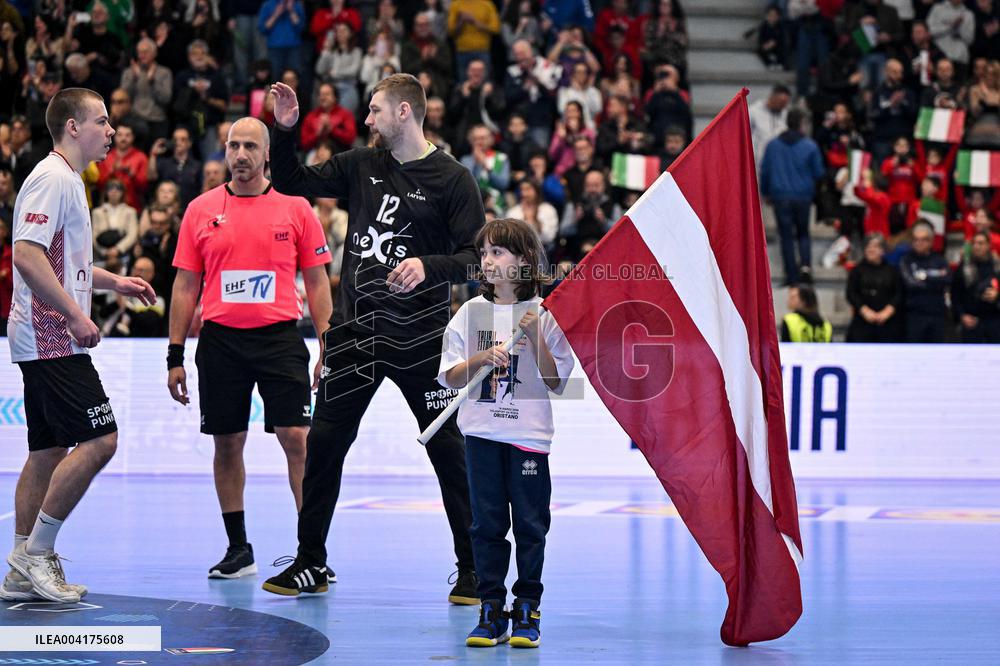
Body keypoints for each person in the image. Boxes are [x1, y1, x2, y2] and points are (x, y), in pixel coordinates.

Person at [264, 73, 484, 601]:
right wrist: (286, 129)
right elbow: (294, 182)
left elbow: (478, 258)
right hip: (355, 335)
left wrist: (427, 267)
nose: (367, 121)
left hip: (422, 339)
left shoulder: (453, 179)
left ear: (404, 112)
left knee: (448, 451)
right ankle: (310, 562)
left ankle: (475, 568)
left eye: (375, 110)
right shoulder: (362, 164)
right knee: (324, 445)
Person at [3, 88, 154, 603]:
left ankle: (21, 569)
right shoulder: (51, 178)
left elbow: (68, 264)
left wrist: (117, 283)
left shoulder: (68, 179)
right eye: (103, 121)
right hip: (52, 337)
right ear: (73, 126)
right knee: (101, 440)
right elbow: (26, 255)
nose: (111, 131)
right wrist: (74, 314)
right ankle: (37, 554)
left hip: (42, 335)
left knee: (47, 450)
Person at [167, 117, 333, 579]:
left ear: (266, 155)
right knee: (227, 443)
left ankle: (311, 554)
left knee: (298, 440)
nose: (240, 154)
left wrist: (328, 343)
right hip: (220, 343)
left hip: (280, 339)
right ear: (225, 151)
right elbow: (185, 285)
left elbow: (317, 283)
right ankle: (238, 549)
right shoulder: (200, 210)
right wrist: (174, 355)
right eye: (233, 146)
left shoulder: (297, 209)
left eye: (250, 147)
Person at [438, 217, 574, 649]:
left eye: (498, 251)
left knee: (531, 526)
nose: (487, 261)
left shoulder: (547, 316)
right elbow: (449, 378)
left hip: (528, 438)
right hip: (480, 435)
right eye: (484, 253)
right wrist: (479, 360)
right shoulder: (470, 313)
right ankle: (491, 608)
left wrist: (535, 338)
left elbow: (560, 385)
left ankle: (528, 608)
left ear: (525, 259)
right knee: (486, 526)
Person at [759, 108, 825, 284]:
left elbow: (765, 171)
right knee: (803, 233)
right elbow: (819, 173)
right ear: (802, 124)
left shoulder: (773, 145)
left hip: (780, 196)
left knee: (786, 235)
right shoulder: (810, 146)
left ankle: (791, 274)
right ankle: (805, 267)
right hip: (803, 196)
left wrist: (765, 192)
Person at [900, 220, 951, 342]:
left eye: (923, 240)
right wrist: (935, 277)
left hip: (937, 314)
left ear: (931, 241)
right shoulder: (906, 260)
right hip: (914, 315)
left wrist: (924, 276)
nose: (919, 243)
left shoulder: (939, 260)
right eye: (916, 240)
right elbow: (910, 284)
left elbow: (947, 279)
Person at [846, 233, 902, 342]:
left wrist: (887, 311)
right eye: (868, 246)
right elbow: (851, 293)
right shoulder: (857, 271)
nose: (871, 249)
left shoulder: (893, 270)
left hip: (887, 321)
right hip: (863, 320)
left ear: (882, 250)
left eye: (875, 246)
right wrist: (865, 310)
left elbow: (899, 293)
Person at [951, 230, 1000, 343]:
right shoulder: (964, 267)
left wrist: (997, 295)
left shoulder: (997, 267)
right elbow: (955, 295)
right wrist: (962, 316)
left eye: (981, 243)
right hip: (972, 321)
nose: (977, 247)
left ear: (989, 245)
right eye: (974, 243)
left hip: (995, 320)